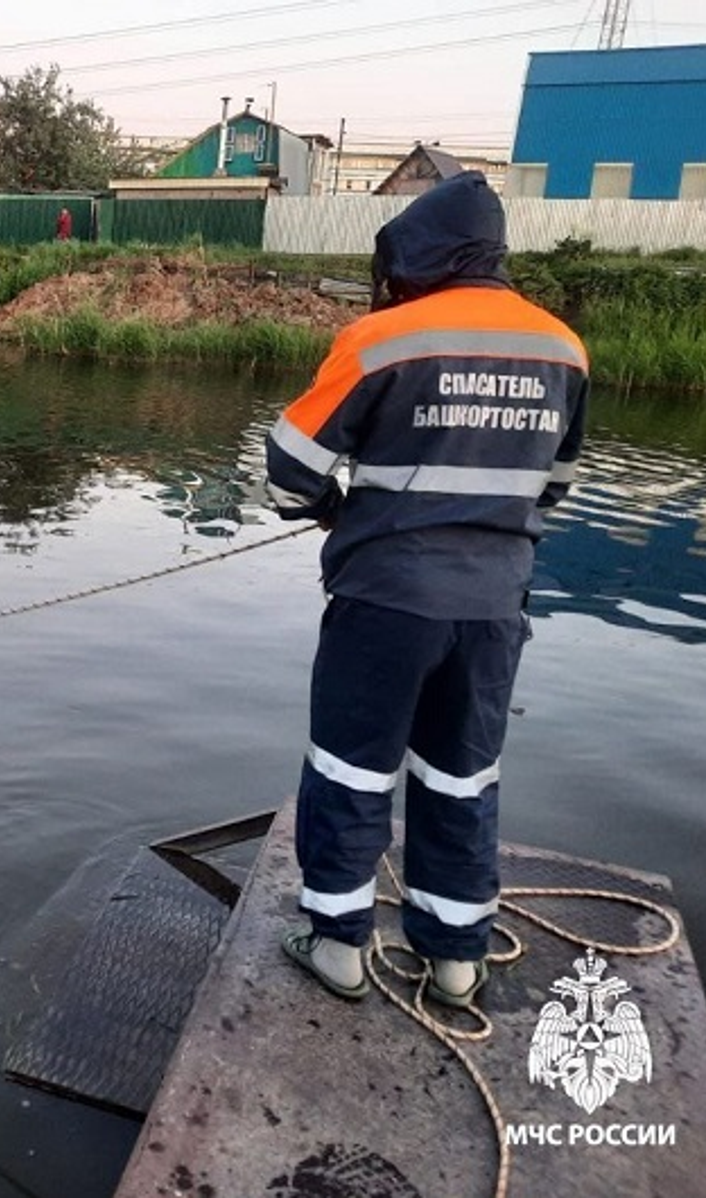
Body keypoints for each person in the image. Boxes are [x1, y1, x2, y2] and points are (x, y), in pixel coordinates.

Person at [263, 171, 588, 1007]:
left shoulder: (382, 339)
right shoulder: (562, 347)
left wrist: (338, 511)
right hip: (494, 605)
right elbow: (555, 486)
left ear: (416, 251)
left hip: (386, 599)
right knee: (461, 775)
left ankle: (339, 944)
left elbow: (287, 471)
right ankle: (455, 959)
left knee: (352, 767)